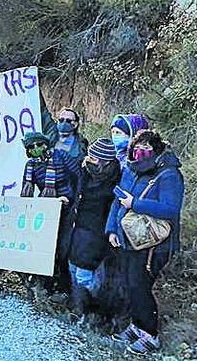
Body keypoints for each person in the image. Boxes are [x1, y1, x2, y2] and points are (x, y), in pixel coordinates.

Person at [105, 129, 184, 356]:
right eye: (136, 149)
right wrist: (112, 229)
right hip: (128, 239)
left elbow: (171, 209)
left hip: (154, 245)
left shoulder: (168, 175)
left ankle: (150, 335)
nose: (139, 154)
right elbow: (117, 201)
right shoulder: (130, 170)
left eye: (145, 150)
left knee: (140, 287)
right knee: (131, 284)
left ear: (156, 151)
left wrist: (136, 204)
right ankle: (137, 326)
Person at [20, 131, 82, 296]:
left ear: (45, 143)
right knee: (47, 247)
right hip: (47, 209)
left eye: (39, 144)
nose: (36, 148)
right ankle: (46, 285)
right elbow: (26, 190)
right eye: (31, 147)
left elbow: (78, 175)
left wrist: (75, 201)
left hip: (67, 207)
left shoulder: (60, 156)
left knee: (63, 248)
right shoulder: (31, 165)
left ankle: (65, 287)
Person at [68, 138, 121, 323]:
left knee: (86, 275)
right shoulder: (85, 172)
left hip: (96, 234)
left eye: (93, 157)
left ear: (104, 161)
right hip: (77, 230)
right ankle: (80, 307)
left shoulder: (115, 181)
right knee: (73, 269)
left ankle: (94, 310)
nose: (89, 159)